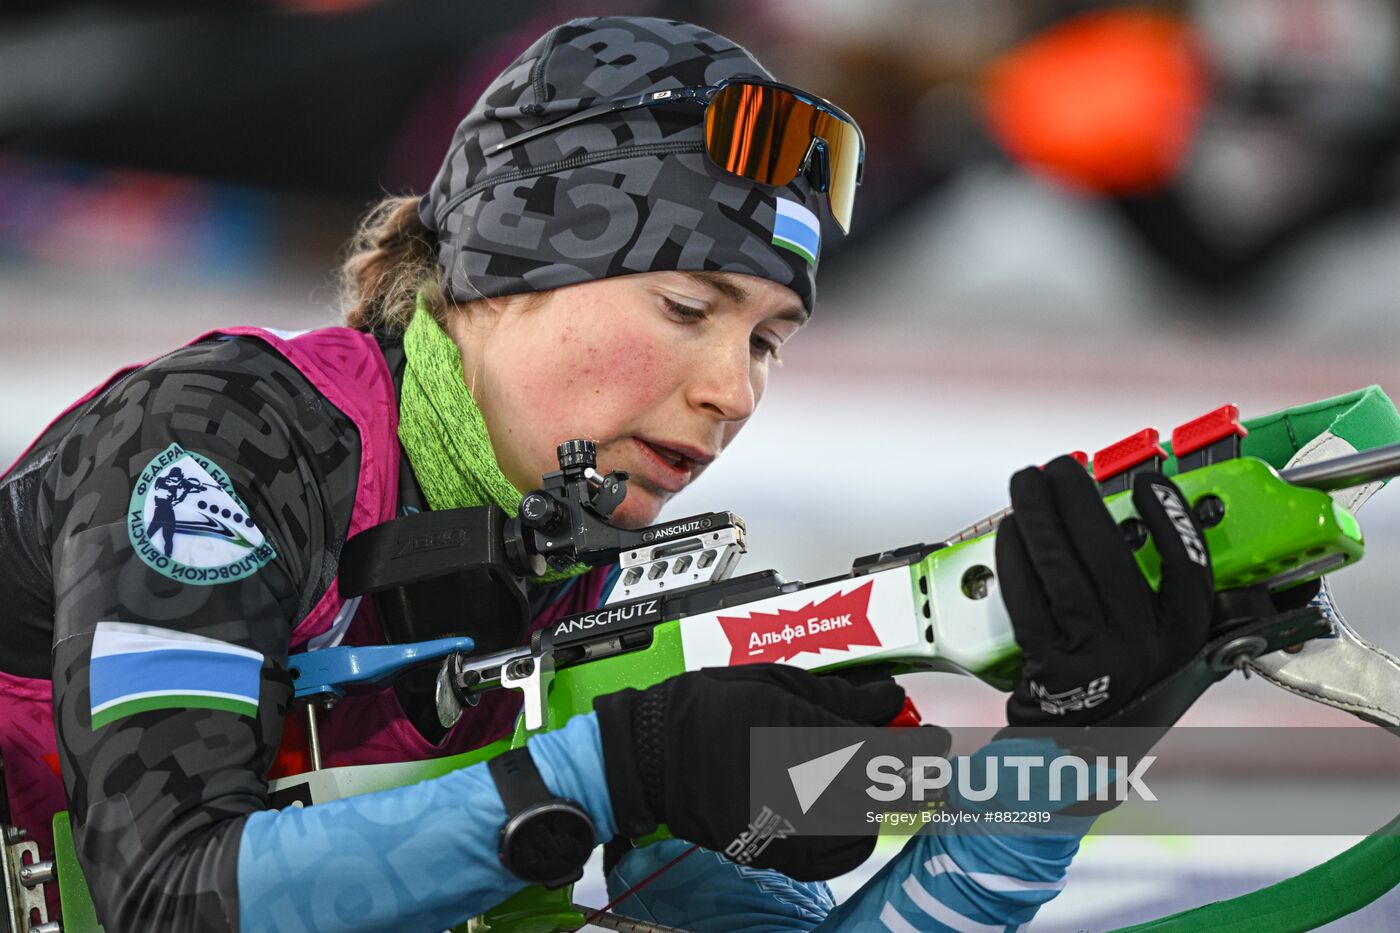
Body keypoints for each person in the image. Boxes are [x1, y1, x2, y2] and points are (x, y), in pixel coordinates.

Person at [0, 16, 1217, 932]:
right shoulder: (227, 439)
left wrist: (1071, 750)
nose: (732, 391)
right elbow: (162, 891)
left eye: (763, 342)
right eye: (687, 306)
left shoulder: (580, 570)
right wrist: (612, 765)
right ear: (505, 266)